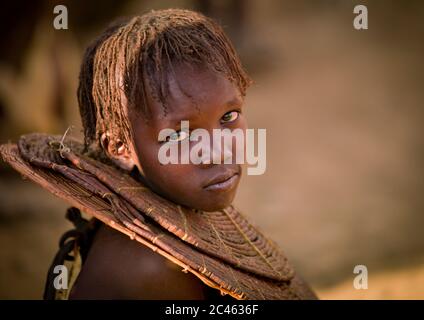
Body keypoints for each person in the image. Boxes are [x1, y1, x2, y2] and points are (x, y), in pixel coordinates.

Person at [0, 8, 317, 300]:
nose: (217, 151)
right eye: (179, 135)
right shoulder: (153, 270)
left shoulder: (177, 208)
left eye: (229, 117)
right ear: (120, 149)